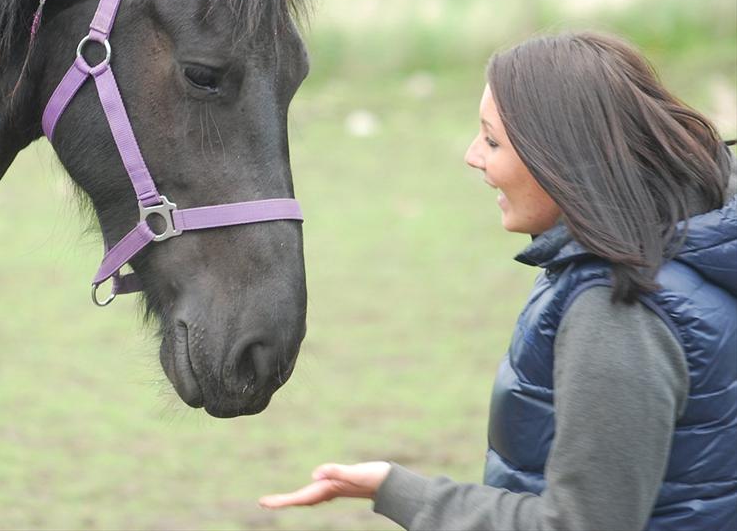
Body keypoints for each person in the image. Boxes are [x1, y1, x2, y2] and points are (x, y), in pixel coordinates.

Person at [259, 31, 737, 530]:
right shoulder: (670, 257)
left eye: (492, 140)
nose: (472, 156)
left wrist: (401, 492)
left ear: (560, 156)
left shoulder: (619, 309)